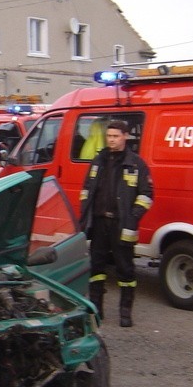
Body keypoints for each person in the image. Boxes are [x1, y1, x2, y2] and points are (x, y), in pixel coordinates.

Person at [79, 120, 153, 327]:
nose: (111, 139)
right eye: (109, 136)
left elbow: (147, 195)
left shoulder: (136, 164)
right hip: (99, 224)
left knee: (126, 271)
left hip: (122, 225)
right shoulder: (98, 161)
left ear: (125, 136)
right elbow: (86, 190)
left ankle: (125, 312)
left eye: (115, 136)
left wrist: (132, 217)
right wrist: (85, 216)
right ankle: (96, 310)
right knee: (96, 268)